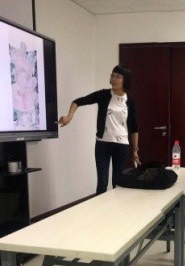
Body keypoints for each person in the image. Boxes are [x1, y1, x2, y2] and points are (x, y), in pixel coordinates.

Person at [57, 65, 139, 194]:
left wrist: (135, 150)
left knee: (118, 183)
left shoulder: (130, 102)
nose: (114, 79)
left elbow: (134, 128)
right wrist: (69, 116)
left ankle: (117, 207)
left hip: (122, 146)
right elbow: (78, 101)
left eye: (118, 76)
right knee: (102, 183)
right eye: (112, 75)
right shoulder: (103, 95)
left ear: (125, 80)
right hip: (103, 144)